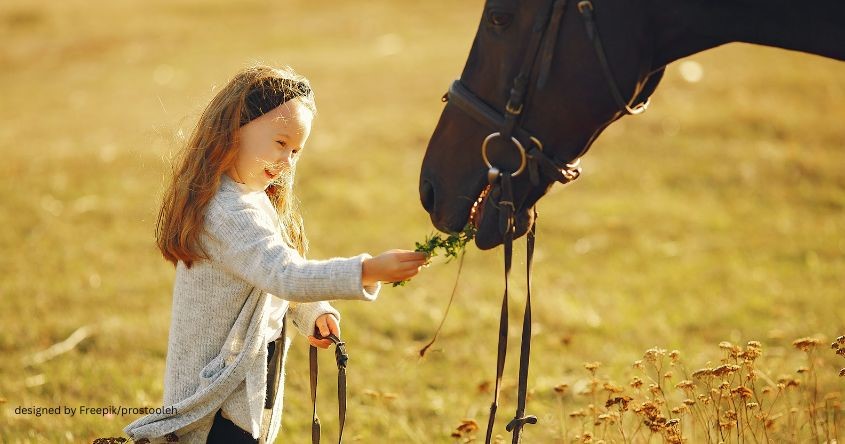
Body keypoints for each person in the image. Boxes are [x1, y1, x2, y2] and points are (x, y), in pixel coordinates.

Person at [123, 64, 427, 444]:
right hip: (214, 398)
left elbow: (267, 283)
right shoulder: (228, 212)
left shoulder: (252, 200)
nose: (287, 161)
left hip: (243, 382)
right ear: (233, 129)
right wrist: (367, 270)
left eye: (297, 150)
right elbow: (284, 274)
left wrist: (312, 312)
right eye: (280, 143)